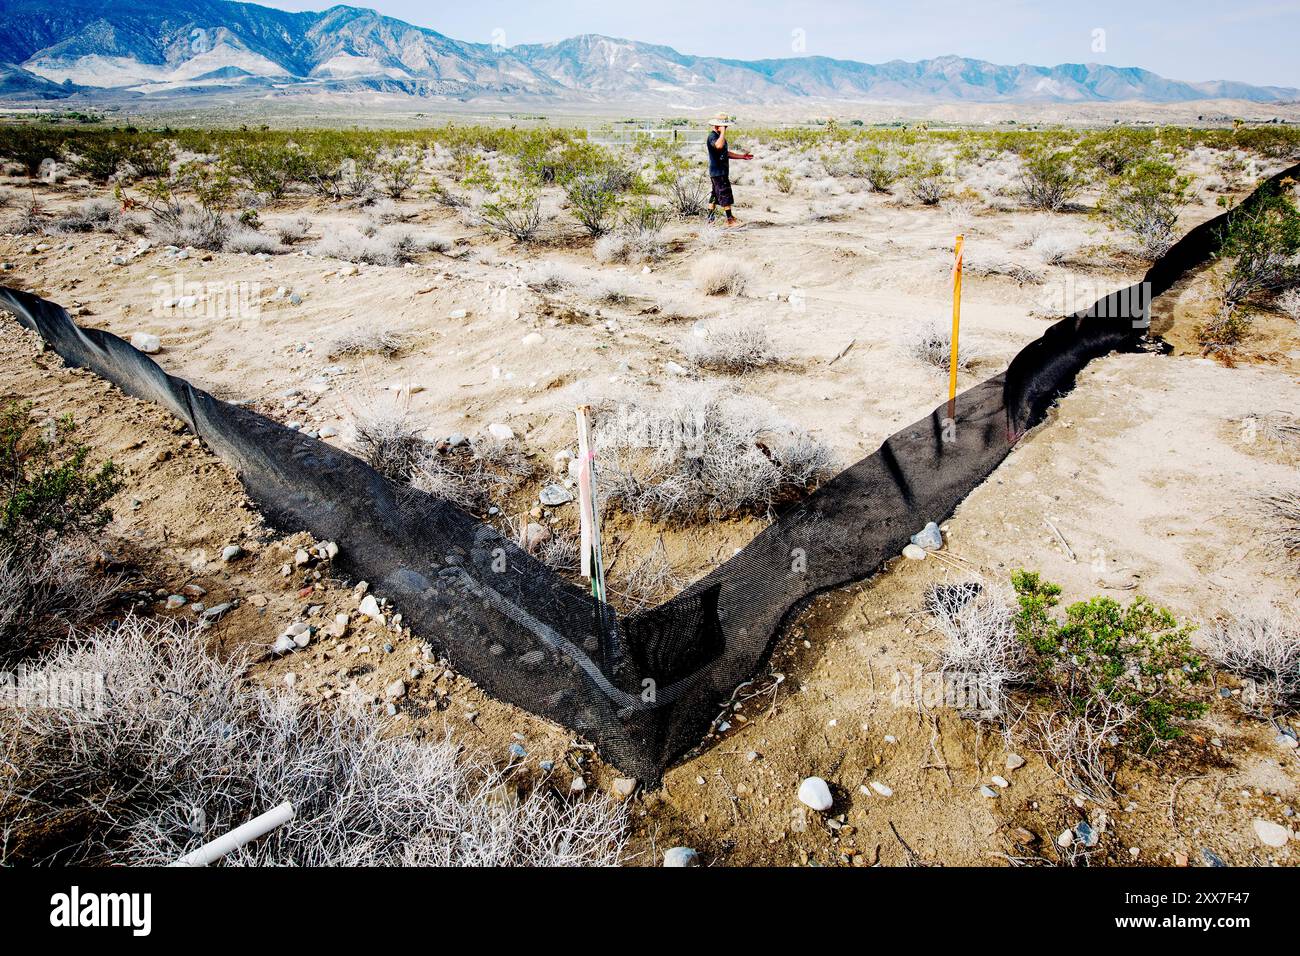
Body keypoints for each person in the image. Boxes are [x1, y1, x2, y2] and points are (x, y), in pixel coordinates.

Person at [705, 112, 754, 227]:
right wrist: (722, 132)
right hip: (718, 172)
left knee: (715, 195)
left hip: (719, 171)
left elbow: (725, 153)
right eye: (724, 126)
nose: (726, 128)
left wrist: (742, 156)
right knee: (725, 194)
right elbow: (718, 146)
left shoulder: (719, 137)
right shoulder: (713, 136)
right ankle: (730, 220)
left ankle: (710, 219)